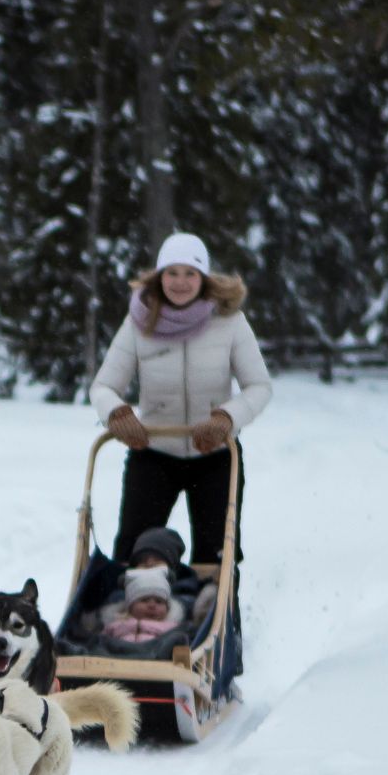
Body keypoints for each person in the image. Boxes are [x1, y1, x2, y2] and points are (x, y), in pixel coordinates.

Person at [89, 233, 271, 575]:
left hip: (215, 453)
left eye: (190, 273)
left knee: (215, 554)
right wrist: (116, 412)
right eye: (172, 272)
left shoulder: (230, 322)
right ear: (159, 276)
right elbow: (103, 386)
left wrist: (225, 419)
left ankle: (216, 618)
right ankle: (128, 620)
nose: (181, 282)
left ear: (204, 277)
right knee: (133, 550)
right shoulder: (139, 323)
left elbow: (258, 387)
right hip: (154, 451)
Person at [97, 567, 184, 645]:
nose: (152, 606)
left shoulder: (172, 630)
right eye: (144, 600)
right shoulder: (115, 625)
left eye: (159, 601)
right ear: (130, 606)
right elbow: (100, 643)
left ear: (167, 608)